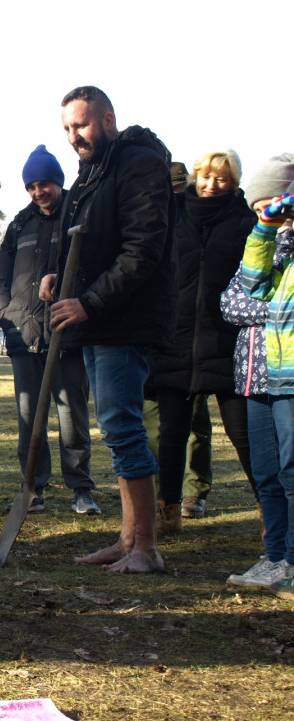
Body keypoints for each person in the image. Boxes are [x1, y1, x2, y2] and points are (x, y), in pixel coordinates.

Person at [39, 85, 175, 574]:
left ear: (109, 120)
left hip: (123, 321)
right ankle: (127, 538)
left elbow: (142, 251)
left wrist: (89, 301)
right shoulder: (91, 173)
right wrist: (58, 274)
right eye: (68, 130)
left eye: (82, 125)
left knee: (123, 428)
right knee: (117, 429)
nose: (75, 137)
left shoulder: (138, 165)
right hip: (98, 322)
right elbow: (87, 245)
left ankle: (147, 548)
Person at [147, 150, 257, 535]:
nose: (212, 184)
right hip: (175, 341)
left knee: (245, 436)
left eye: (222, 179)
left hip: (229, 344)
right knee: (172, 436)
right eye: (206, 176)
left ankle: (271, 514)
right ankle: (167, 512)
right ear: (195, 176)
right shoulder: (170, 216)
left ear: (234, 183)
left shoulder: (247, 222)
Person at [0, 145, 98, 515]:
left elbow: (91, 267)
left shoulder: (78, 214)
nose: (39, 192)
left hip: (66, 335)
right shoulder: (19, 224)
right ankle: (33, 488)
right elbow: (0, 278)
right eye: (33, 186)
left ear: (58, 181)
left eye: (45, 184)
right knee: (28, 416)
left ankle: (81, 489)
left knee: (71, 415)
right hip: (25, 336)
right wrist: (6, 314)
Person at [221, 153, 294, 589]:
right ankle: (274, 557)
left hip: (290, 377)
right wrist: (265, 230)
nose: (268, 215)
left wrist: (269, 311)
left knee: (292, 472)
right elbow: (235, 297)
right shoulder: (267, 243)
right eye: (257, 210)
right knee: (266, 472)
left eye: (274, 205)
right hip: (255, 376)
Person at [142, 161, 215, 520]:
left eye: (177, 188)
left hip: (191, 337)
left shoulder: (193, 225)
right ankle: (161, 492)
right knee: (156, 423)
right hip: (156, 337)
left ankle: (194, 491)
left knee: (195, 422)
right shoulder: (150, 223)